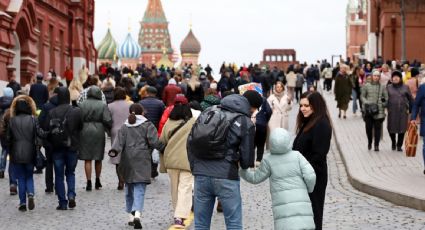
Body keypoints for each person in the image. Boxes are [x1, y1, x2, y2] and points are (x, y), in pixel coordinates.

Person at [187, 91, 261, 230]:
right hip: (226, 176)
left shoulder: (209, 111)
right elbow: (247, 160)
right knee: (233, 223)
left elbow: (190, 141)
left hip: (201, 175)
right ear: (251, 107)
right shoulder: (245, 122)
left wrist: (195, 167)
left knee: (201, 224)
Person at [240, 128, 316, 230]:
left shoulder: (268, 160)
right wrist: (309, 189)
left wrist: (241, 170)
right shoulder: (297, 156)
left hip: (282, 207)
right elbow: (310, 175)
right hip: (302, 203)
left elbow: (255, 178)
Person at [109, 103, 164, 229]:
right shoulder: (147, 125)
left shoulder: (125, 126)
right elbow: (154, 141)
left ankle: (130, 215)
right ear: (142, 113)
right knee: (140, 188)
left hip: (127, 159)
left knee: (129, 186)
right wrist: (163, 148)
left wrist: (114, 151)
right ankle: (137, 213)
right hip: (142, 159)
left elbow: (118, 143)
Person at [292, 91, 332, 230]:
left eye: (306, 105)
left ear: (316, 106)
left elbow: (319, 155)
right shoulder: (308, 121)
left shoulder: (322, 124)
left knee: (313, 214)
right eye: (301, 105)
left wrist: (302, 171)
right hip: (304, 176)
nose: (302, 108)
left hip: (314, 177)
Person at [159, 96, 196, 228]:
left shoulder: (169, 122)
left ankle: (177, 215)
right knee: (185, 188)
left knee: (174, 188)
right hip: (187, 160)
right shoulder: (194, 122)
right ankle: (180, 215)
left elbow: (162, 141)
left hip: (171, 160)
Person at [6, 95, 47, 211]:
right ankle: (30, 194)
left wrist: (10, 150)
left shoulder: (12, 121)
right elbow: (40, 133)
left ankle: (22, 202)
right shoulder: (33, 119)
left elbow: (8, 138)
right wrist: (49, 132)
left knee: (20, 178)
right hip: (30, 152)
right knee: (29, 176)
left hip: (16, 153)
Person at [45, 87, 83, 210]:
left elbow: (48, 129)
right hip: (72, 146)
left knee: (59, 176)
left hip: (57, 148)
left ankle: (62, 202)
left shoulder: (52, 112)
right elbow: (80, 127)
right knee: (71, 173)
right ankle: (71, 195)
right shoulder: (76, 111)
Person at [78, 86, 112, 191]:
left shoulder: (81, 104)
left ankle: (88, 182)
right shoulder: (102, 105)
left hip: (85, 131)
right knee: (98, 157)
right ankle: (97, 180)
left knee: (87, 158)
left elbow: (78, 118)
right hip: (99, 131)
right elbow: (107, 119)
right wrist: (108, 128)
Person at [108, 87, 132, 190]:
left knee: (117, 156)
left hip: (115, 131)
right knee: (128, 155)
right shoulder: (130, 105)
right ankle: (127, 179)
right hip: (129, 131)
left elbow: (107, 120)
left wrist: (109, 131)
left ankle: (120, 180)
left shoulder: (110, 106)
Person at [139, 86, 165, 179]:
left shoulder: (141, 103)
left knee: (144, 148)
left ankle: (145, 168)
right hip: (155, 129)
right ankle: (153, 169)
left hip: (143, 128)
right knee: (154, 149)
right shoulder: (160, 103)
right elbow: (163, 117)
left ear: (147, 92)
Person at [360, 70, 388, 151]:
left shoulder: (382, 86)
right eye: (375, 75)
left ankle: (376, 145)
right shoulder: (366, 85)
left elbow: (386, 98)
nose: (376, 77)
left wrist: (382, 104)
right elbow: (362, 97)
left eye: (378, 76)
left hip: (379, 111)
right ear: (372, 76)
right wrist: (367, 103)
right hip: (368, 110)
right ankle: (369, 141)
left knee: (377, 129)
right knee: (368, 128)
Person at [387, 71, 413, 151]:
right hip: (392, 111)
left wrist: (411, 110)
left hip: (403, 111)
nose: (395, 78)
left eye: (397, 76)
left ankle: (399, 145)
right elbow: (383, 98)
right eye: (394, 76)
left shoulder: (405, 87)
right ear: (392, 78)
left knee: (402, 128)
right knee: (391, 128)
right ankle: (393, 142)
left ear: (400, 78)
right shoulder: (388, 87)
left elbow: (410, 99)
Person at [0, 87, 17, 194]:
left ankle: (1, 169)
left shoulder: (0, 102)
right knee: (12, 156)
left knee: (4, 151)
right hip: (12, 134)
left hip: (2, 131)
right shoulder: (13, 105)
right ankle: (13, 182)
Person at [254, 94, 272, 164]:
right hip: (262, 124)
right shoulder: (263, 99)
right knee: (260, 145)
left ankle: (251, 165)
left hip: (251, 124)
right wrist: (265, 120)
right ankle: (258, 161)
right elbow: (269, 111)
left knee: (251, 145)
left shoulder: (246, 98)